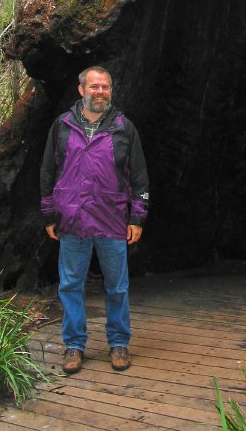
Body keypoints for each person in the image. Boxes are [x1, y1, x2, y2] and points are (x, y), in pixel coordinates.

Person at [40, 66, 149, 375]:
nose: (99, 92)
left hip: (112, 219)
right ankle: (74, 346)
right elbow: (48, 171)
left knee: (117, 286)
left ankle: (118, 343)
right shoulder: (62, 126)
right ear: (81, 90)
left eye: (105, 87)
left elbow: (139, 177)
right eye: (94, 87)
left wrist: (137, 217)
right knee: (71, 285)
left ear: (110, 91)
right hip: (72, 220)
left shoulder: (123, 128)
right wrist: (49, 212)